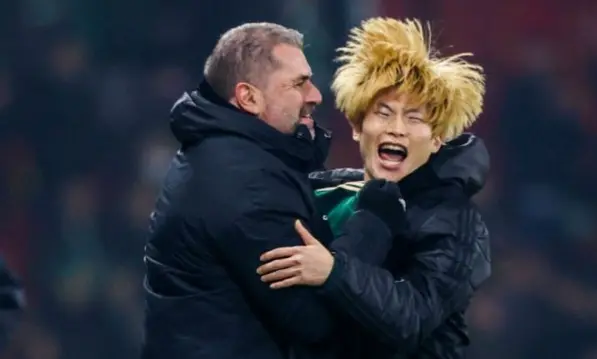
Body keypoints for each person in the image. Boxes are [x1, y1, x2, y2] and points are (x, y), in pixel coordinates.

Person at [141, 22, 407, 359]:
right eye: (298, 84)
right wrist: (374, 218)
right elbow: (318, 319)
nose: (316, 95)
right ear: (249, 97)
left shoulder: (227, 155)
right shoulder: (245, 186)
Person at [257, 18, 491, 358]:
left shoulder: (452, 219)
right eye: (383, 113)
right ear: (357, 126)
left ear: (438, 139)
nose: (397, 129)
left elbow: (413, 318)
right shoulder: (320, 192)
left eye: (415, 118)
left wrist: (334, 272)